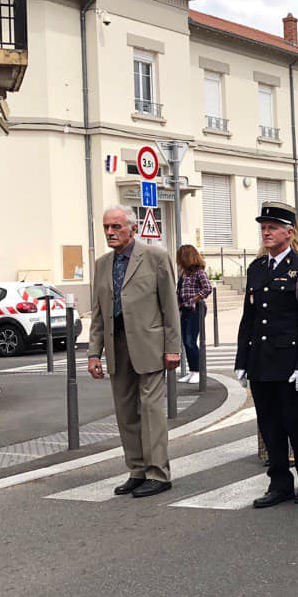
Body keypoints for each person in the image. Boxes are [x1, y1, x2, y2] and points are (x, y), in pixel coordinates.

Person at [235, 203, 298, 507]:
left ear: (290, 232)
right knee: (269, 424)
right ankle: (279, 482)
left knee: (295, 422)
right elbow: (249, 317)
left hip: (289, 363)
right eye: (263, 227)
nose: (266, 232)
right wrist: (241, 360)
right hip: (262, 360)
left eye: (272, 227)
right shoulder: (258, 267)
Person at [87, 205, 181, 498]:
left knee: (151, 411)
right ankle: (137, 470)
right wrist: (94, 352)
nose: (110, 233)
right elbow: (98, 313)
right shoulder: (103, 264)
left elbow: (170, 307)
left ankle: (158, 473)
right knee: (126, 412)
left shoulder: (155, 258)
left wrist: (173, 347)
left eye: (116, 227)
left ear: (133, 228)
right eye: (106, 227)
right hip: (117, 347)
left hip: (150, 346)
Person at [176, 244, 212, 385]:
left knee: (191, 341)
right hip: (185, 309)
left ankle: (198, 372)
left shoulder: (199, 272)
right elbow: (179, 291)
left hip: (195, 309)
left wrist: (192, 300)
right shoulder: (184, 274)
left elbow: (207, 288)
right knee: (186, 342)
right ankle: (192, 371)